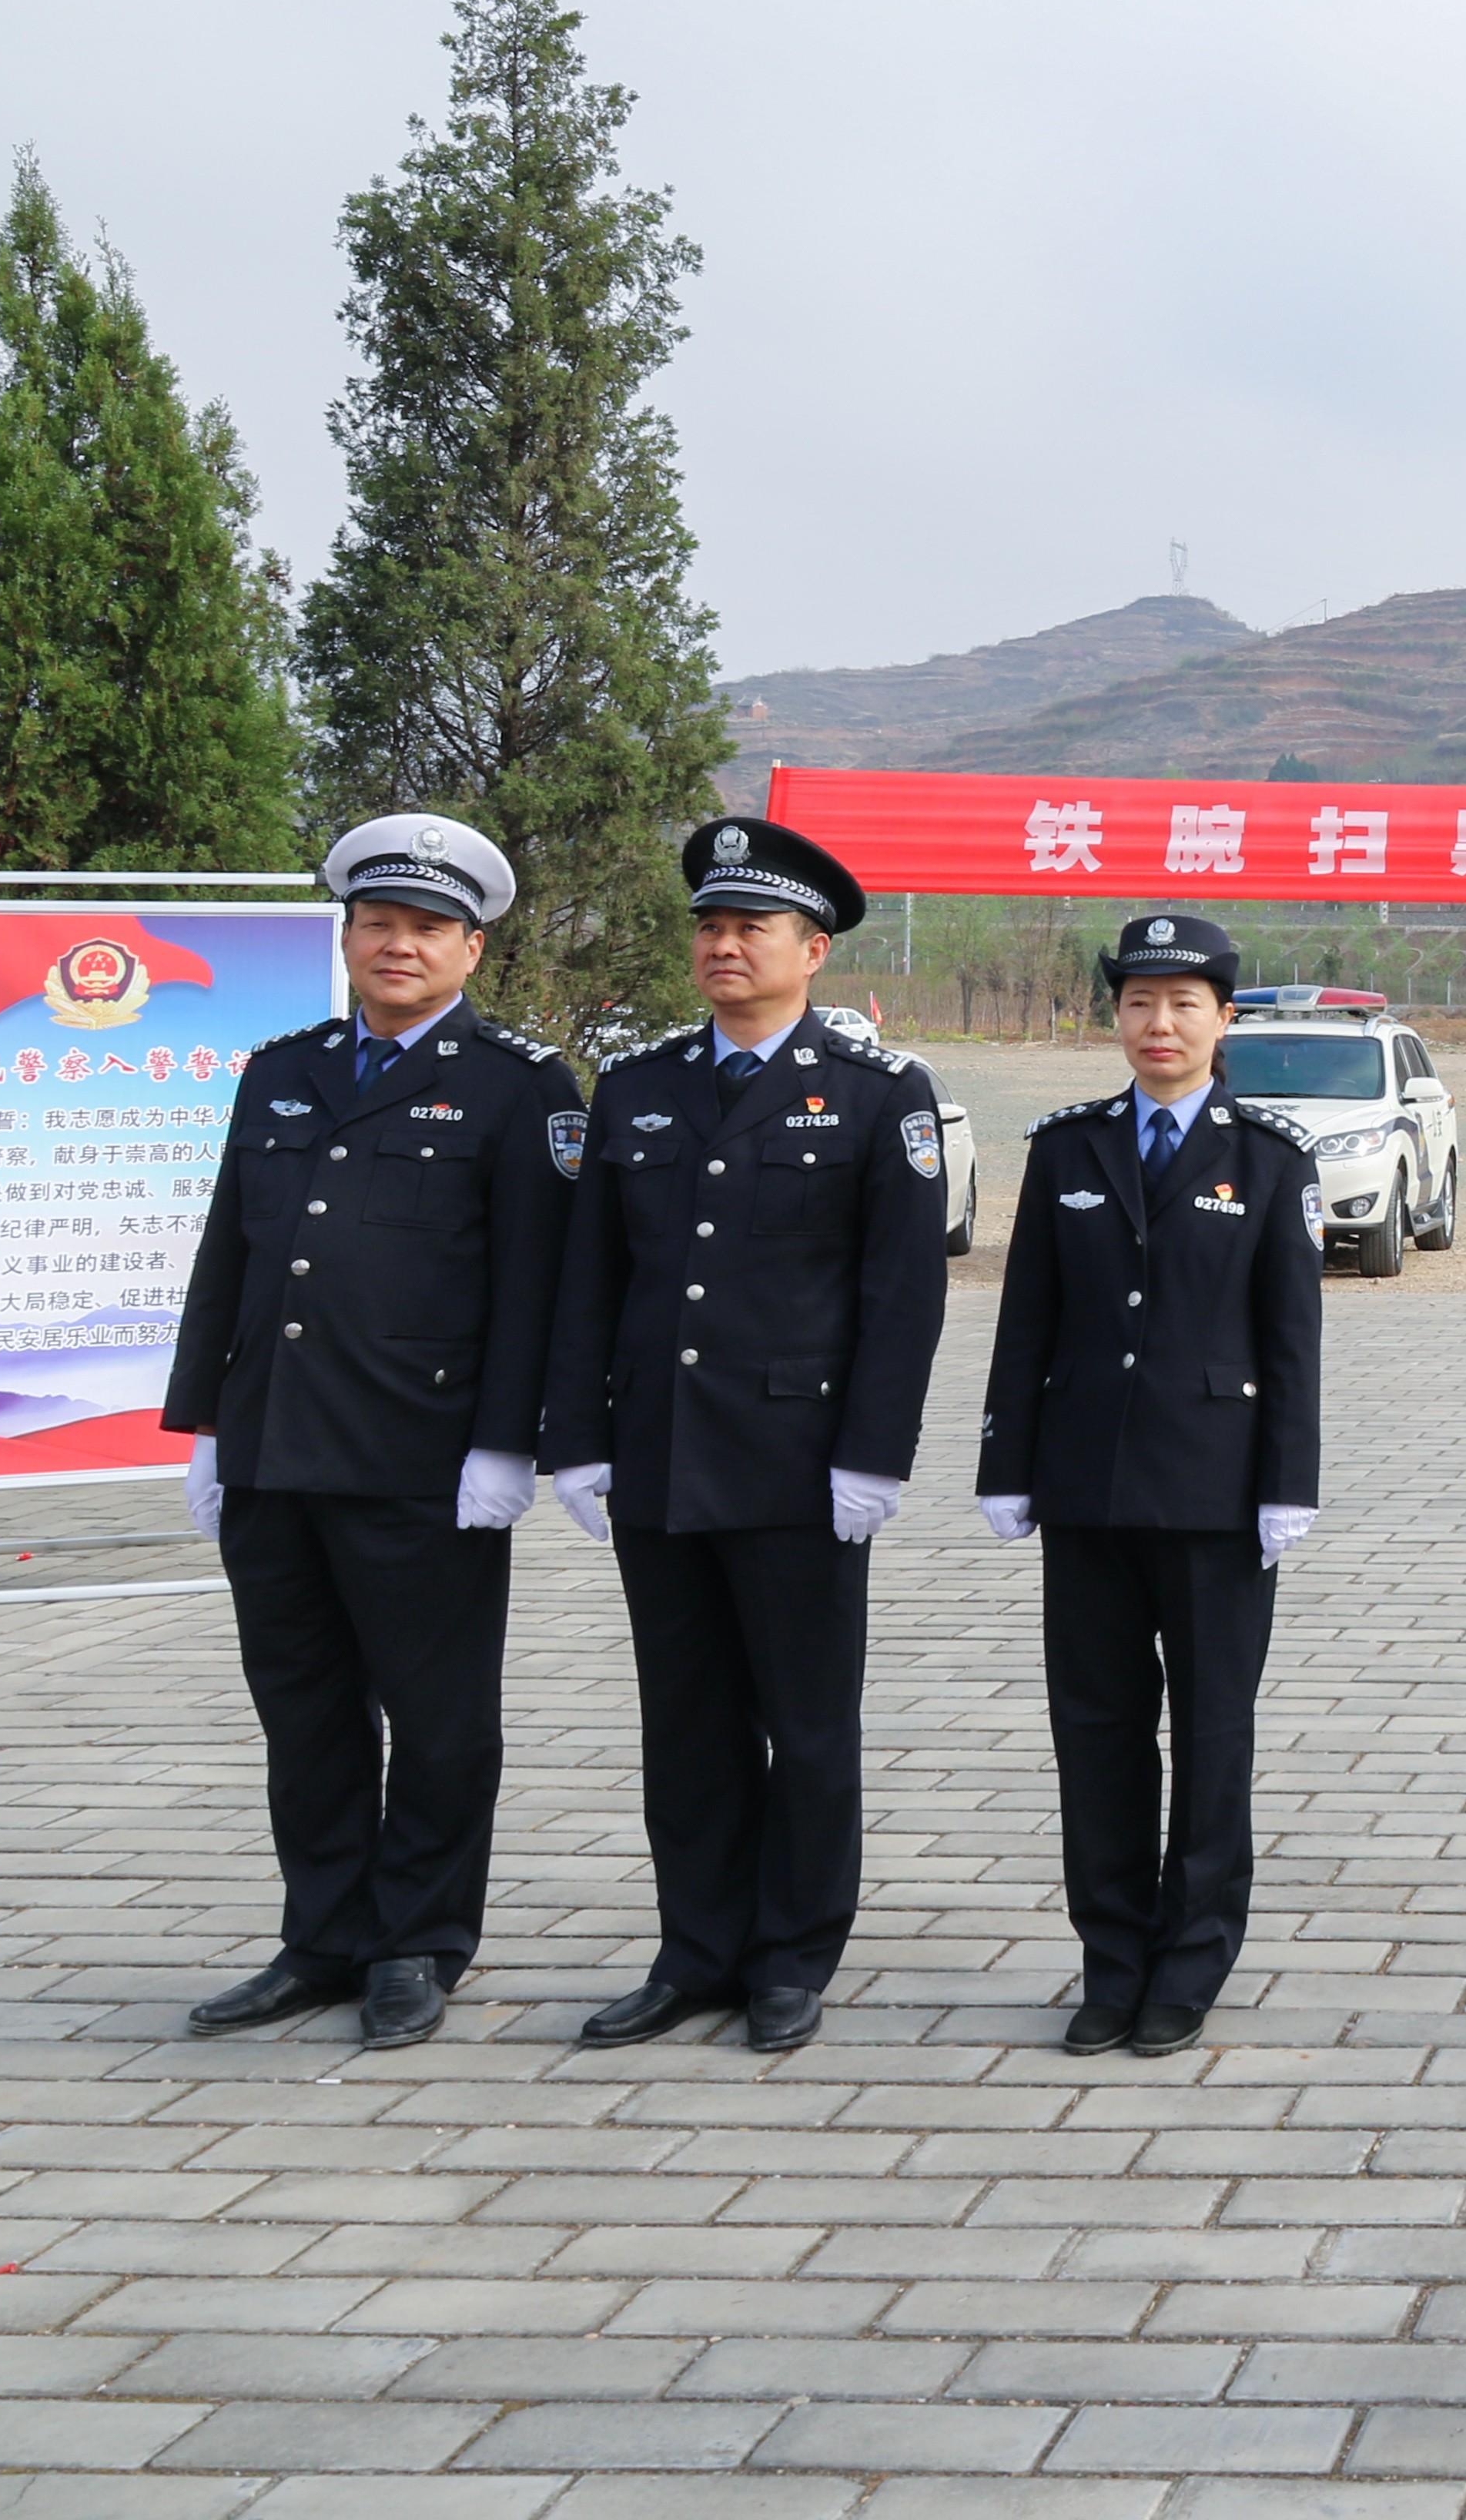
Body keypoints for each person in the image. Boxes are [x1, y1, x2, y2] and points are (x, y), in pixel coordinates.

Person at [160, 816, 580, 2052]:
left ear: (472, 950)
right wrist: (202, 1424)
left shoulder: (519, 1088)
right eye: (378, 924)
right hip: (274, 1449)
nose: (399, 946)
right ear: (346, 937)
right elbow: (229, 1255)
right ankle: (323, 1933)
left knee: (439, 1717)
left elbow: (535, 1287)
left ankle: (418, 1940)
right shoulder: (280, 1071)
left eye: (427, 929)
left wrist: (511, 1446)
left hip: (422, 1458)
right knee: (303, 1708)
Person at [542, 816, 950, 2056]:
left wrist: (874, 1455)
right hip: (661, 1456)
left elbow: (901, 1295)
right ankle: (696, 1950)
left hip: (797, 1463)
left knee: (807, 1722)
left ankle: (792, 1954)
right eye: (710, 927)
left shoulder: (882, 1094)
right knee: (690, 1721)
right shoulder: (643, 1086)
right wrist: (577, 1435)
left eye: (751, 928)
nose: (724, 947)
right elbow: (590, 1278)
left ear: (812, 950)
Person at [977, 913, 1324, 2058]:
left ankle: (1190, 1963)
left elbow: (1291, 1340)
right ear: (1116, 1015)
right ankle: (1112, 1958)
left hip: (1220, 1499)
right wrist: (1006, 1464)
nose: (1158, 1023)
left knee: (1213, 1734)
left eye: (1184, 1004)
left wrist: (1290, 1483)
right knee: (1097, 1732)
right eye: (1139, 1001)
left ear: (1225, 1020)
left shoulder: (1268, 1157)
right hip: (1086, 1490)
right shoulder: (1069, 1150)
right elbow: (1027, 1318)